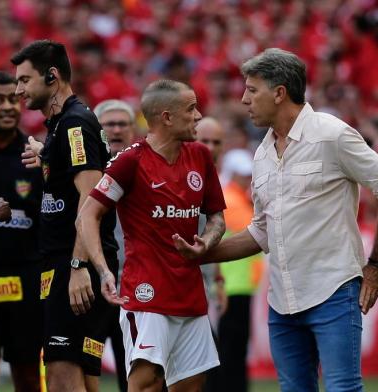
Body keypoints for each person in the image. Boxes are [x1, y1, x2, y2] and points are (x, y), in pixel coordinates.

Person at [176, 48, 378, 392]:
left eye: (252, 90)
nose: (243, 99)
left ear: (280, 92)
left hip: (333, 291)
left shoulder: (333, 134)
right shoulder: (262, 153)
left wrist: (374, 265)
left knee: (343, 388)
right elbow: (262, 231)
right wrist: (203, 255)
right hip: (281, 301)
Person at [77, 79, 226, 392]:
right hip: (145, 294)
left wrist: (207, 242)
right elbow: (88, 215)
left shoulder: (200, 156)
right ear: (166, 117)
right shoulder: (130, 161)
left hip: (190, 294)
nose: (198, 116)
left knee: (190, 387)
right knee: (147, 383)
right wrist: (103, 270)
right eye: (191, 109)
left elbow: (216, 219)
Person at [11, 39, 125, 392]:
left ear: (52, 76)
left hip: (73, 265)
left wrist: (77, 268)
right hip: (69, 264)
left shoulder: (74, 124)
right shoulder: (62, 126)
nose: (18, 90)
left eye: (24, 80)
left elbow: (91, 202)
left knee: (61, 375)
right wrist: (47, 156)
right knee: (84, 378)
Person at [0, 71, 43, 392]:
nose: (8, 107)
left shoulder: (35, 154)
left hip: (27, 281)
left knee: (29, 378)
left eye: (12, 99)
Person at [93, 99, 137, 392]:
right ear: (97, 130)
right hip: (92, 290)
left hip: (134, 291)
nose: (117, 129)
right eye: (110, 124)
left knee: (135, 375)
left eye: (123, 124)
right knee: (84, 375)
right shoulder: (83, 173)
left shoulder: (147, 171)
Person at [218, 148, 264, 392]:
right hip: (233, 285)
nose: (248, 180)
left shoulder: (235, 197)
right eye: (244, 175)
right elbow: (257, 231)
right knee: (231, 350)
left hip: (236, 284)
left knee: (231, 348)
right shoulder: (233, 200)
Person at [195, 117, 226, 392]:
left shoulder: (214, 179)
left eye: (216, 142)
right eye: (204, 140)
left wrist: (218, 280)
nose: (210, 147)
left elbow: (213, 235)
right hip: (174, 286)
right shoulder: (179, 176)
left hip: (205, 288)